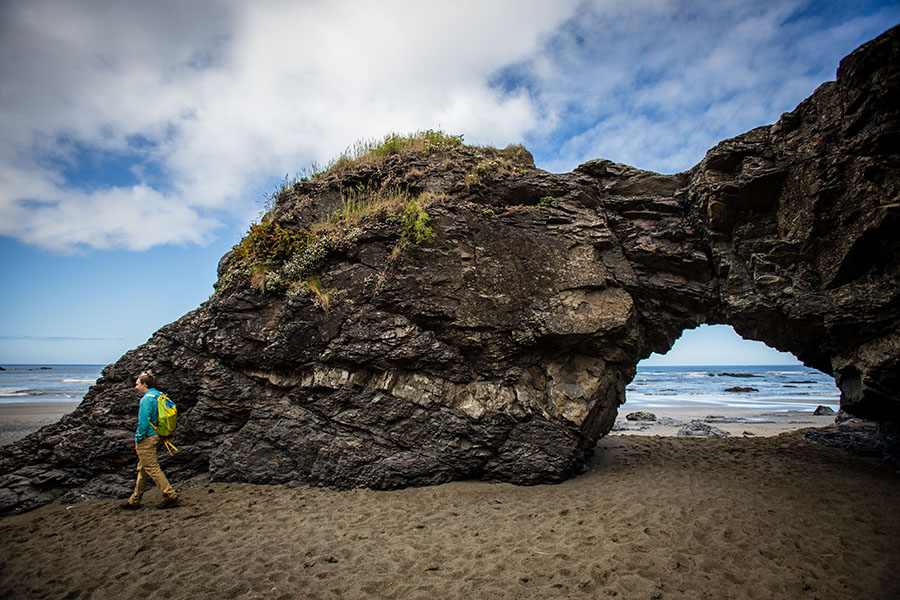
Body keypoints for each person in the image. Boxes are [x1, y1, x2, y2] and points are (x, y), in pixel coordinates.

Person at [120, 371, 179, 510]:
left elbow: (144, 422)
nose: (135, 387)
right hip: (158, 434)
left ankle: (170, 495)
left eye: (137, 384)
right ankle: (134, 500)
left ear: (144, 384)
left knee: (152, 468)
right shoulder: (159, 395)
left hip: (147, 438)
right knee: (143, 468)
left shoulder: (146, 399)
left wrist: (139, 437)